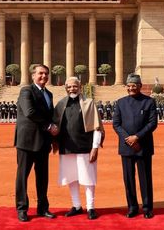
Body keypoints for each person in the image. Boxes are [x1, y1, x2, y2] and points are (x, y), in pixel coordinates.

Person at [53, 77, 104, 220]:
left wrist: (95, 147)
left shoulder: (89, 103)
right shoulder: (61, 104)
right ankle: (76, 206)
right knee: (72, 178)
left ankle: (91, 207)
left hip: (85, 147)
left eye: (74, 86)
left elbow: (97, 127)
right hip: (66, 147)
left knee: (88, 179)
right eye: (69, 87)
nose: (72, 89)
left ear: (80, 87)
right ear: (65, 88)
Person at [14, 64, 59, 222]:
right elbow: (30, 112)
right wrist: (49, 126)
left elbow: (51, 115)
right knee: (22, 176)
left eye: (46, 74)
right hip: (27, 140)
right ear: (33, 75)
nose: (44, 76)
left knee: (42, 177)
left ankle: (43, 208)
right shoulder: (26, 90)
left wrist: (53, 135)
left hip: (43, 141)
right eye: (40, 73)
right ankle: (22, 208)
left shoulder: (49, 94)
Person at [112, 74, 158, 219]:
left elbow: (152, 123)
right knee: (129, 179)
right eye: (129, 86)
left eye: (134, 85)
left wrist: (137, 137)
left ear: (140, 86)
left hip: (143, 145)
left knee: (145, 178)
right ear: (126, 87)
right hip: (126, 146)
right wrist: (128, 138)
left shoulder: (149, 102)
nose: (131, 88)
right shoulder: (120, 103)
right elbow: (116, 124)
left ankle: (147, 207)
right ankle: (132, 207)